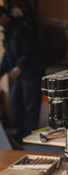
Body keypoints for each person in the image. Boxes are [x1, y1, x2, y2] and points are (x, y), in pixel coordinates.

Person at [0, 6, 45, 141]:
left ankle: (30, 136)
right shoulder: (7, 32)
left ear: (4, 15)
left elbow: (30, 50)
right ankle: (21, 134)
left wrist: (19, 67)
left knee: (30, 105)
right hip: (20, 75)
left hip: (31, 73)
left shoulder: (22, 29)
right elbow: (8, 57)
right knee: (15, 101)